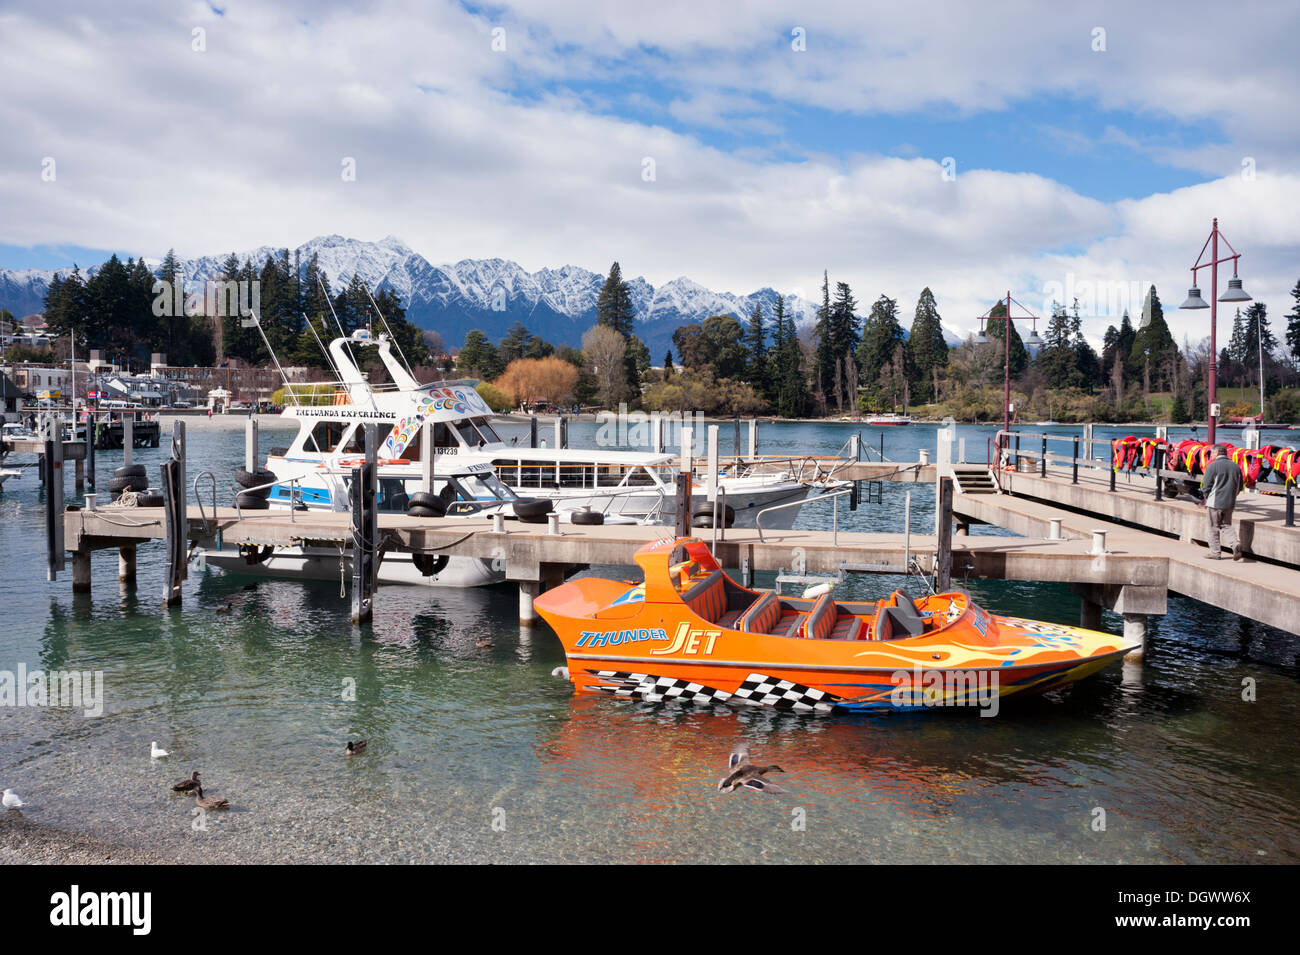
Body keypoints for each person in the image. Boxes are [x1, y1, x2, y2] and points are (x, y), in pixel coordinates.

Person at [1200, 443, 1244, 560]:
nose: (1211, 455)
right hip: (1230, 503)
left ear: (1217, 453)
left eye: (1212, 453)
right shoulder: (1236, 467)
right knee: (1226, 525)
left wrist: (1206, 497)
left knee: (1213, 527)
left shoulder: (1212, 466)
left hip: (1214, 502)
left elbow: (1206, 486)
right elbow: (1240, 486)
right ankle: (1235, 544)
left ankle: (1215, 553)